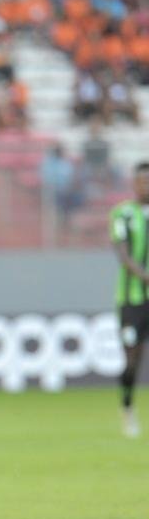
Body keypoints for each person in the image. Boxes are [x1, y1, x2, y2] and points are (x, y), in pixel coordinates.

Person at [110, 161, 149, 439]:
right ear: (133, 184)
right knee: (132, 360)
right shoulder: (122, 214)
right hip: (132, 299)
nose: (145, 186)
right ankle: (127, 408)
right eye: (141, 181)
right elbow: (124, 257)